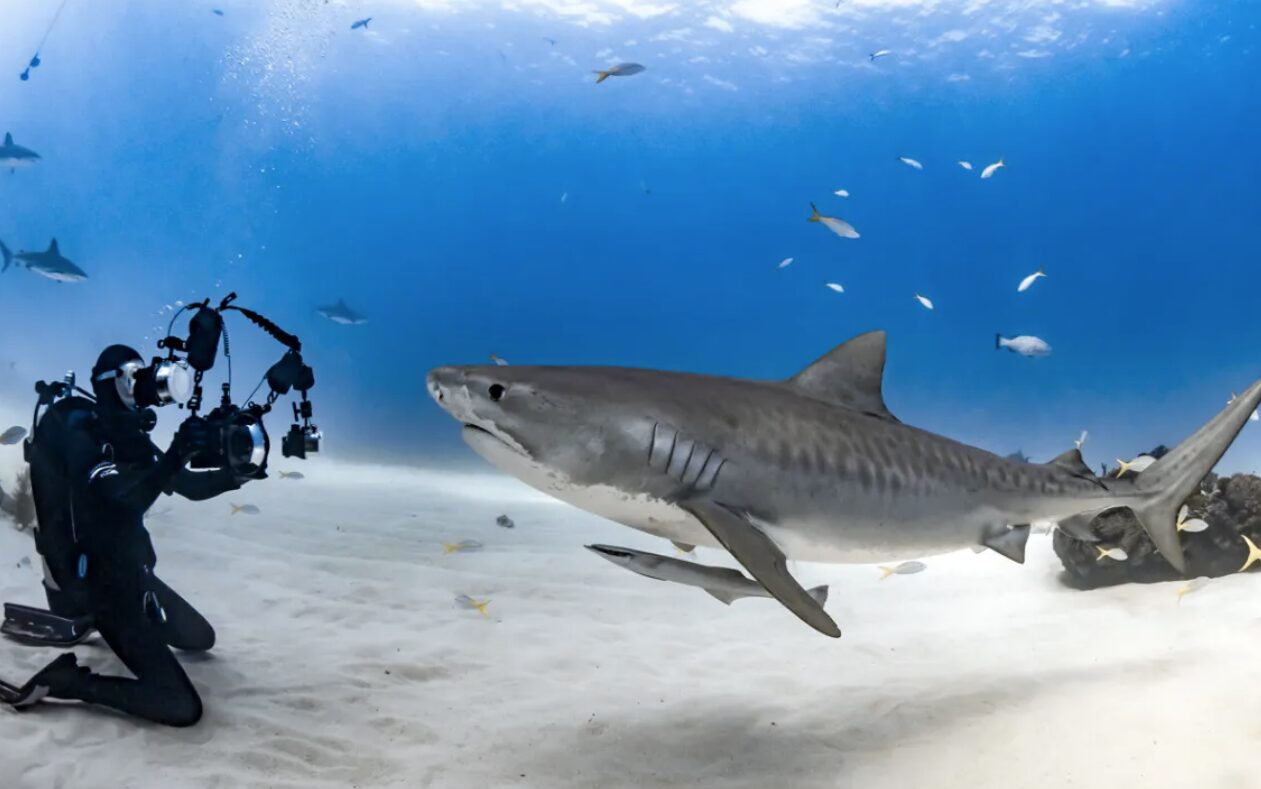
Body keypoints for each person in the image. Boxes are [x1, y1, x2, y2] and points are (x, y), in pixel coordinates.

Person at [1, 345, 251, 726]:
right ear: (110, 382)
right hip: (99, 588)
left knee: (201, 638)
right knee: (182, 707)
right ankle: (70, 681)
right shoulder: (79, 432)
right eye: (132, 374)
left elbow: (188, 486)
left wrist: (236, 476)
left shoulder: (128, 436)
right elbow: (122, 502)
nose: (144, 383)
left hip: (133, 576)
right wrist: (174, 453)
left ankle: (94, 626)